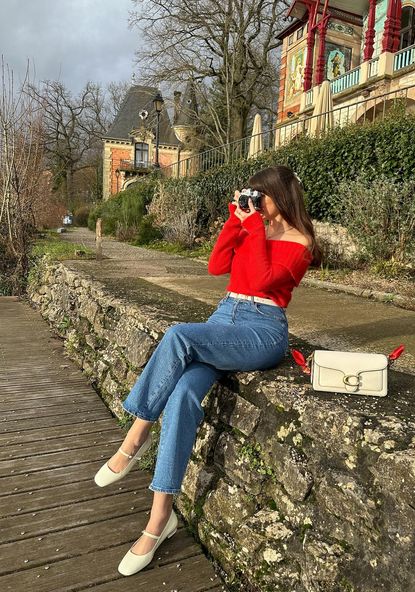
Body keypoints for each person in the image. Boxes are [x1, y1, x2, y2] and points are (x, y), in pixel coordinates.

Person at [93, 164, 321, 576]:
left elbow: (266, 280)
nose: (255, 202)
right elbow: (218, 267)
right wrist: (235, 223)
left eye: (260, 196)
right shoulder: (254, 227)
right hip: (224, 318)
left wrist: (252, 229)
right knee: (181, 395)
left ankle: (135, 438)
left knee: (179, 335)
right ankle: (160, 519)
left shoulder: (299, 239)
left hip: (262, 330)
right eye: (250, 195)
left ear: (279, 197)